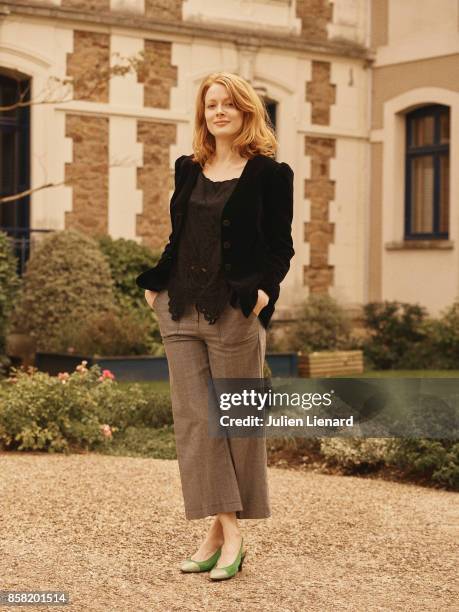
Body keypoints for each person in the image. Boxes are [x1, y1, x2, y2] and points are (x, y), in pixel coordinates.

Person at [136, 72, 294, 581]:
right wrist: (156, 283)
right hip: (179, 307)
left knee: (238, 422)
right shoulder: (189, 168)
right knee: (197, 422)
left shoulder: (271, 174)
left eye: (229, 104)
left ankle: (220, 535)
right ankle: (229, 532)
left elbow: (279, 247)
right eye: (211, 106)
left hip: (234, 311)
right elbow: (179, 234)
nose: (219, 112)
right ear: (203, 114)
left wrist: (264, 295)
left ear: (247, 112)